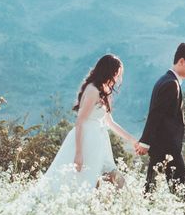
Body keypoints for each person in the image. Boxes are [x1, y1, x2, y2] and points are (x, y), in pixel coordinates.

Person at [38, 54, 143, 194]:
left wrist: (133, 141)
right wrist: (78, 153)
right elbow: (80, 122)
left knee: (113, 179)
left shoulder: (104, 91)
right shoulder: (92, 90)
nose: (117, 78)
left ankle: (125, 203)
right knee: (84, 182)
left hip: (99, 141)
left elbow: (110, 122)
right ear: (108, 71)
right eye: (116, 74)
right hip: (86, 141)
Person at [136, 43, 185, 211]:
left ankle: (145, 213)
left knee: (152, 187)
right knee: (182, 190)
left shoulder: (165, 80)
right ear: (181, 61)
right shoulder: (171, 84)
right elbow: (155, 115)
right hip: (167, 148)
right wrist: (144, 142)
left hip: (162, 147)